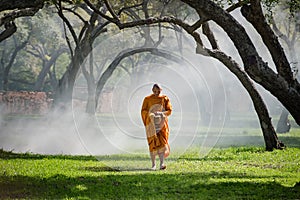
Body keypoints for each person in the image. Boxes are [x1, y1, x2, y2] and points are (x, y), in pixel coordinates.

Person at [141, 84, 172, 170]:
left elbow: (169, 110)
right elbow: (143, 111)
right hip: (151, 125)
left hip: (162, 125)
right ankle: (153, 164)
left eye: (158, 91)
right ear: (152, 90)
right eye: (154, 91)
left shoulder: (164, 99)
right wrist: (150, 115)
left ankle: (162, 164)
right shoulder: (147, 99)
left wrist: (162, 114)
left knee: (162, 144)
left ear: (161, 90)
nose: (156, 93)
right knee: (152, 144)